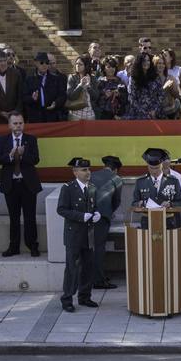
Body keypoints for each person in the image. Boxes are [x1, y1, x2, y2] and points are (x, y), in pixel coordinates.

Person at [54, 157, 100, 313]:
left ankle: (85, 296)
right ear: (75, 172)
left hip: (89, 234)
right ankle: (67, 299)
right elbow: (61, 209)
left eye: (88, 169)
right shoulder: (68, 188)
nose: (88, 172)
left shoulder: (92, 187)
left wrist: (97, 213)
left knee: (88, 266)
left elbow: (95, 205)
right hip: (74, 235)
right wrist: (81, 216)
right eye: (84, 170)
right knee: (72, 268)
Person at [0, 113, 42, 257]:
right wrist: (10, 156)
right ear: (9, 125)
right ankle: (14, 246)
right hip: (11, 184)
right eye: (15, 123)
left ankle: (32, 245)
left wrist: (22, 155)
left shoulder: (31, 139)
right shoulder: (3, 140)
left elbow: (36, 159)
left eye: (20, 123)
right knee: (13, 217)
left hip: (28, 184)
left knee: (30, 216)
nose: (18, 126)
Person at [132, 147, 181, 234]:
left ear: (161, 165)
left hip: (168, 222)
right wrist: (140, 203)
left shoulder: (173, 181)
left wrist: (170, 204)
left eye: (157, 168)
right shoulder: (140, 182)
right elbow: (134, 203)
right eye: (151, 168)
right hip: (147, 222)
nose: (154, 171)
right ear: (147, 166)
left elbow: (180, 203)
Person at [88, 156, 122, 289]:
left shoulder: (92, 175)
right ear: (116, 169)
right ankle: (98, 281)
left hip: (86, 215)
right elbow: (116, 201)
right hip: (102, 217)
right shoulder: (116, 178)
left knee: (89, 247)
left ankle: (93, 276)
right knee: (99, 248)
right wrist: (108, 212)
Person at [26, 52, 67, 123]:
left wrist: (56, 103)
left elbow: (62, 95)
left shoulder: (56, 79)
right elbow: (23, 97)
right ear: (36, 63)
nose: (44, 65)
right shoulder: (29, 79)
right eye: (42, 63)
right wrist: (32, 98)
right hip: (36, 117)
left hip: (52, 116)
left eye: (47, 63)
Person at [123, 52, 164, 120]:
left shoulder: (156, 77)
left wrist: (154, 110)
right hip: (138, 112)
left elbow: (161, 95)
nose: (146, 62)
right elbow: (131, 98)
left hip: (155, 111)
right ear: (139, 62)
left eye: (148, 60)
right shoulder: (133, 78)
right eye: (144, 60)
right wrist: (143, 112)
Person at [65, 57, 96, 122]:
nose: (77, 66)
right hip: (75, 114)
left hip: (89, 114)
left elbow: (96, 97)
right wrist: (80, 85)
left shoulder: (92, 78)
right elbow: (71, 96)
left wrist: (88, 86)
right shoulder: (72, 77)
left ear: (86, 66)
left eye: (80, 64)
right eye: (76, 64)